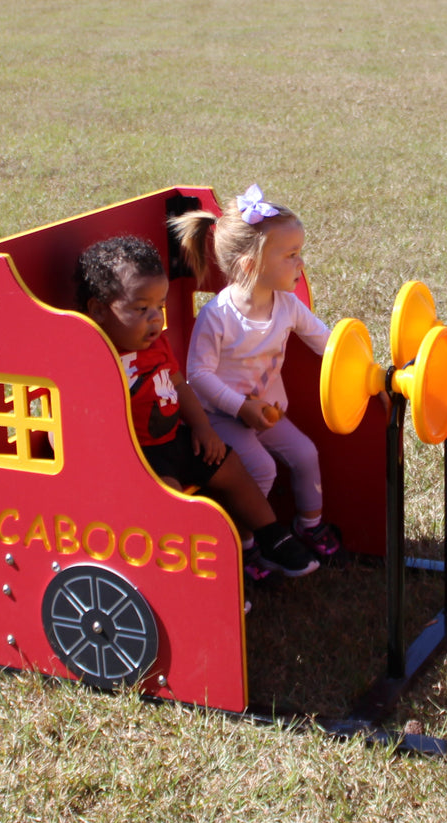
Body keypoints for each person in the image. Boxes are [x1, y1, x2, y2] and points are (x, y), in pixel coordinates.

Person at [76, 235, 318, 578]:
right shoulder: (96, 357)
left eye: (158, 307)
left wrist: (203, 428)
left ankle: (271, 537)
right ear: (99, 310)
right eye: (139, 309)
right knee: (169, 500)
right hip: (139, 457)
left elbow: (179, 385)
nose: (154, 320)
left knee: (231, 465)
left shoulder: (157, 344)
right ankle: (193, 578)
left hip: (176, 438)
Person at [171, 184, 341, 562]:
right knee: (261, 470)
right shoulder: (219, 316)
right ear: (250, 265)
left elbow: (326, 342)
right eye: (291, 255)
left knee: (305, 454)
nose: (301, 264)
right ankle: (246, 548)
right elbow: (197, 374)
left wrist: (366, 371)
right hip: (219, 416)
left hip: (266, 413)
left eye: (300, 254)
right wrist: (239, 407)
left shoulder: (287, 305)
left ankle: (308, 527)